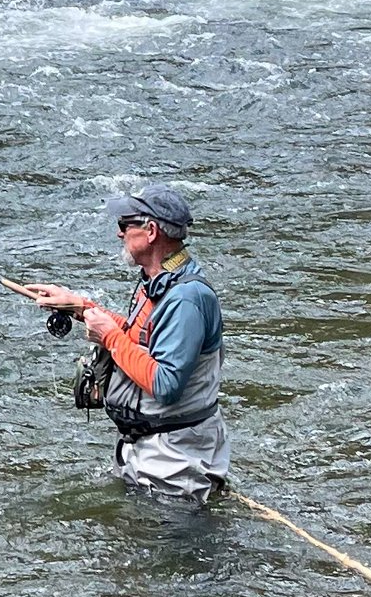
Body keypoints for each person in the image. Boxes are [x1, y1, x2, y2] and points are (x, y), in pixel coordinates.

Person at [13, 181, 227, 506]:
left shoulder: (187, 300)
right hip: (151, 449)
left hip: (175, 459)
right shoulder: (160, 283)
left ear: (151, 231)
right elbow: (140, 339)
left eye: (124, 225)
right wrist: (81, 308)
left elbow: (165, 383)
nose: (119, 234)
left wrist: (109, 337)